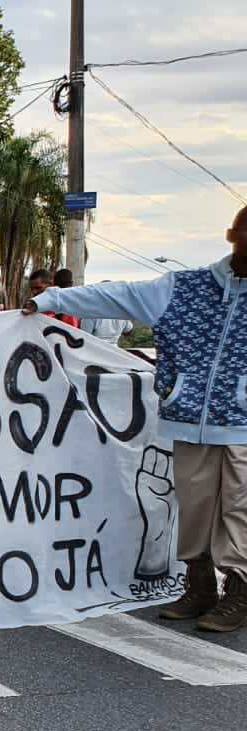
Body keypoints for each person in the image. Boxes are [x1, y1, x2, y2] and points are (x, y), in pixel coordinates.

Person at [23, 206, 247, 631]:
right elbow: (116, 295)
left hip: (243, 425)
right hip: (188, 420)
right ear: (232, 234)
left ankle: (239, 591)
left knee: (241, 507)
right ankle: (199, 586)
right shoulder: (184, 287)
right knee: (195, 506)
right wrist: (51, 298)